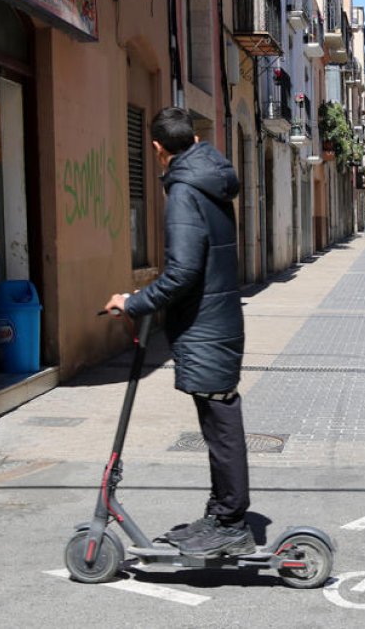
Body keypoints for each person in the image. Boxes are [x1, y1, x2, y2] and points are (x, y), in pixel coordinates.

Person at [103, 107, 253, 558]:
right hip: (217, 318)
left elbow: (183, 272)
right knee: (218, 421)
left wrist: (133, 302)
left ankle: (231, 523)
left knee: (220, 422)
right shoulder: (211, 181)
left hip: (206, 324)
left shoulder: (185, 192)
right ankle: (223, 513)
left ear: (157, 149)